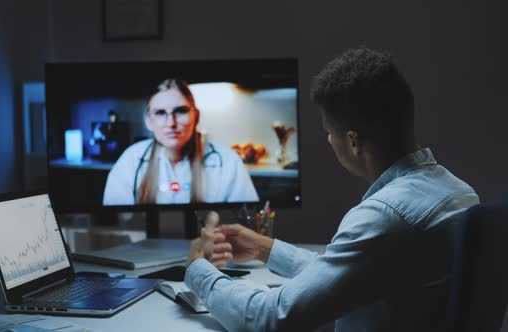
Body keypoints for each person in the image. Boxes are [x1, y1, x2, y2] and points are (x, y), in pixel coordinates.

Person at [185, 48, 480, 331]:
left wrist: (198, 269)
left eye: (329, 132)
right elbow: (350, 271)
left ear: (353, 141)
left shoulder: (386, 216)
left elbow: (269, 319)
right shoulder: (458, 191)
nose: (329, 140)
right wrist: (265, 249)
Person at [103, 78, 259, 205]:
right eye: (160, 113)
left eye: (181, 111)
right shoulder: (131, 160)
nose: (171, 123)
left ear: (196, 116)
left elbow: (244, 225)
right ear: (148, 121)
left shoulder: (228, 162)